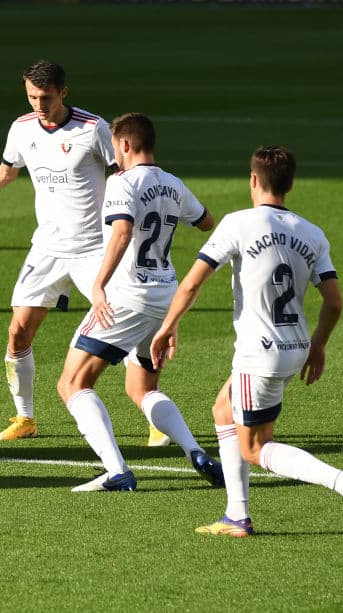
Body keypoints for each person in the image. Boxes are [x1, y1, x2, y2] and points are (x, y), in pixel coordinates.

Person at [0, 60, 166, 446]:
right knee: (17, 332)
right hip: (47, 248)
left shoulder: (93, 128)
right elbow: (5, 172)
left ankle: (154, 415)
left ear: (63, 92)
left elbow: (127, 176)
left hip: (93, 249)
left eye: (45, 97)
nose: (38, 104)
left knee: (129, 331)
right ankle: (25, 417)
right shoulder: (21, 129)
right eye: (32, 96)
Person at [151, 146, 343, 542]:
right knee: (223, 410)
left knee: (255, 447)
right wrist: (318, 347)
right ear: (290, 185)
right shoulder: (312, 232)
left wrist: (168, 326)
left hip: (260, 354)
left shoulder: (238, 224)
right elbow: (335, 301)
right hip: (295, 348)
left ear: (253, 180)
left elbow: (192, 282)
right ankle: (237, 516)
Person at [55, 113, 222, 492]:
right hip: (166, 296)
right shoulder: (174, 183)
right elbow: (206, 221)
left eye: (115, 147)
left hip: (128, 297)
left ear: (125, 146)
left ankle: (117, 471)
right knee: (141, 388)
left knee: (72, 383)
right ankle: (194, 450)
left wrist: (99, 285)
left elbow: (123, 231)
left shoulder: (122, 182)